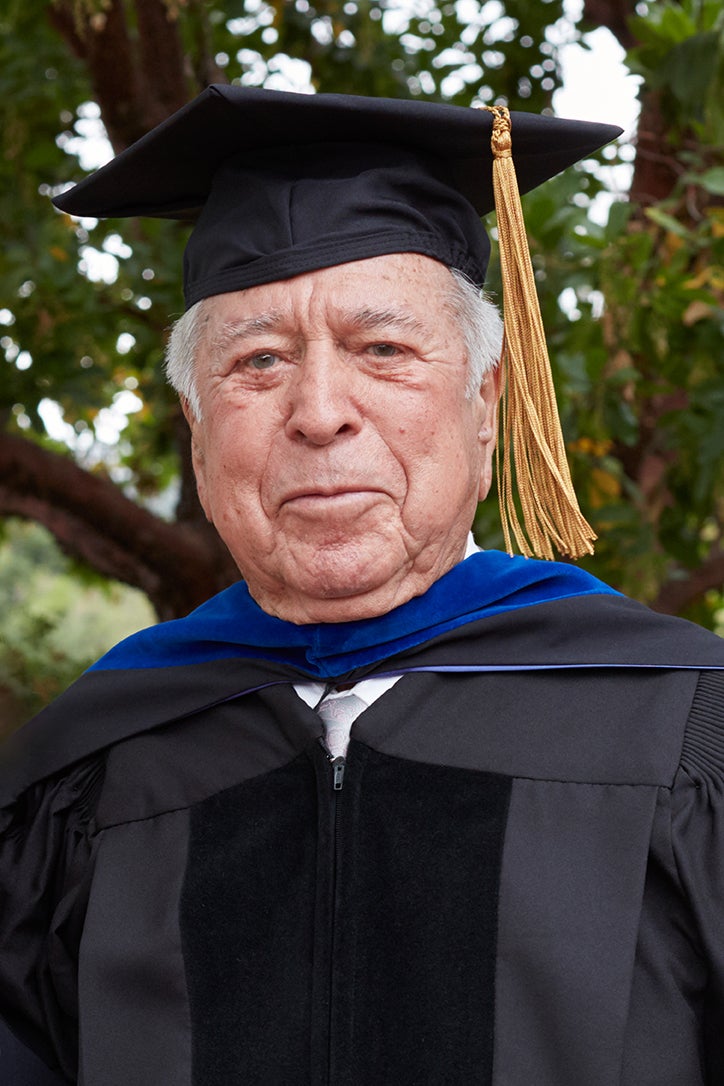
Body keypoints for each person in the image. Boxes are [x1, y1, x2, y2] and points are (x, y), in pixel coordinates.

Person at [1, 85, 723, 1086]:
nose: (320, 412)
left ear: (485, 401)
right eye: (258, 363)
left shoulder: (685, 727)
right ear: (196, 425)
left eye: (383, 350)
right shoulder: (82, 773)